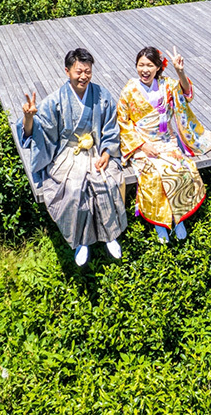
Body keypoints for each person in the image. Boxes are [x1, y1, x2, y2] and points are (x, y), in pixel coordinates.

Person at [17, 48, 127, 266]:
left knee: (106, 183)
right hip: (69, 153)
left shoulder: (102, 96)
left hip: (96, 151)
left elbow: (111, 129)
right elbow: (38, 132)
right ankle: (81, 241)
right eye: (79, 71)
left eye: (88, 71)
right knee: (74, 190)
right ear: (67, 71)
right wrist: (28, 118)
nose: (83, 76)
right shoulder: (55, 100)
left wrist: (106, 153)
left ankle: (110, 235)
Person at [117, 46, 211, 243]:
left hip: (166, 140)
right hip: (143, 143)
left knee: (183, 169)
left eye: (150, 65)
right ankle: (160, 223)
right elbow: (123, 122)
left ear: (158, 67)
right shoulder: (129, 90)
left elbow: (187, 94)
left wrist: (180, 71)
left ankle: (178, 217)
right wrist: (141, 146)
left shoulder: (167, 85)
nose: (145, 70)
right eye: (141, 65)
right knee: (154, 174)